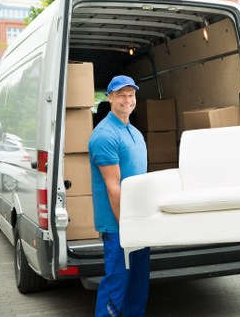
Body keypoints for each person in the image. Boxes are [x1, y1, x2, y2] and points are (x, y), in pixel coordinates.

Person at [89, 75, 150, 317]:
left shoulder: (133, 131)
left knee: (137, 287)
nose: (127, 99)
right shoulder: (105, 135)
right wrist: (127, 227)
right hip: (119, 228)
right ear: (110, 97)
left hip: (139, 224)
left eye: (131, 94)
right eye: (121, 94)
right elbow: (113, 187)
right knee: (116, 287)